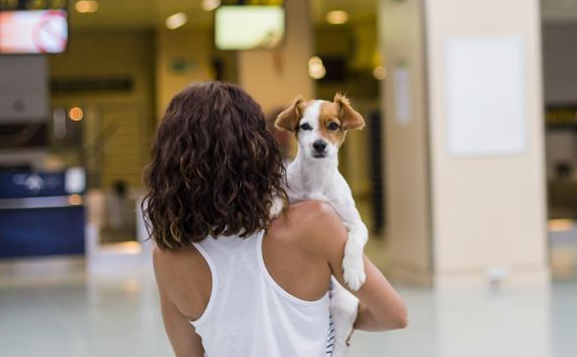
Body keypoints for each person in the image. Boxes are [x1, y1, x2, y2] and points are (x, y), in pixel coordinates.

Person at [144, 81, 407, 356]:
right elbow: (394, 315)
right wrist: (335, 322)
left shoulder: (166, 258)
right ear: (256, 149)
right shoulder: (317, 222)